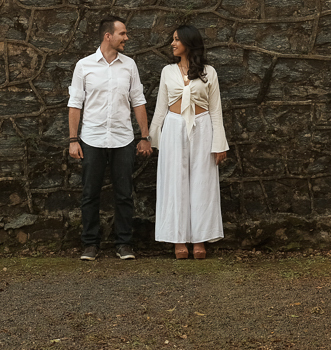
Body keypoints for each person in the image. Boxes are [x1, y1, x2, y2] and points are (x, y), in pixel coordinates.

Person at [67, 15, 153, 261]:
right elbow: (75, 104)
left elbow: (138, 101)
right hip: (91, 138)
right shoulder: (84, 66)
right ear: (108, 36)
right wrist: (73, 140)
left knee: (124, 194)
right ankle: (90, 244)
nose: (127, 38)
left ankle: (124, 244)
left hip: (122, 139)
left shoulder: (129, 65)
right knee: (90, 193)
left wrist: (144, 136)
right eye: (122, 34)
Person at [148, 25, 228, 260]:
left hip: (202, 127)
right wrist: (149, 139)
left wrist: (219, 143)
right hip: (174, 127)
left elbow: (216, 110)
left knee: (203, 181)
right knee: (175, 181)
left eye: (177, 39)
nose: (172, 44)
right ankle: (178, 239)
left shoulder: (209, 72)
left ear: (189, 42)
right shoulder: (167, 71)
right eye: (172, 39)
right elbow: (161, 108)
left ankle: (200, 239)